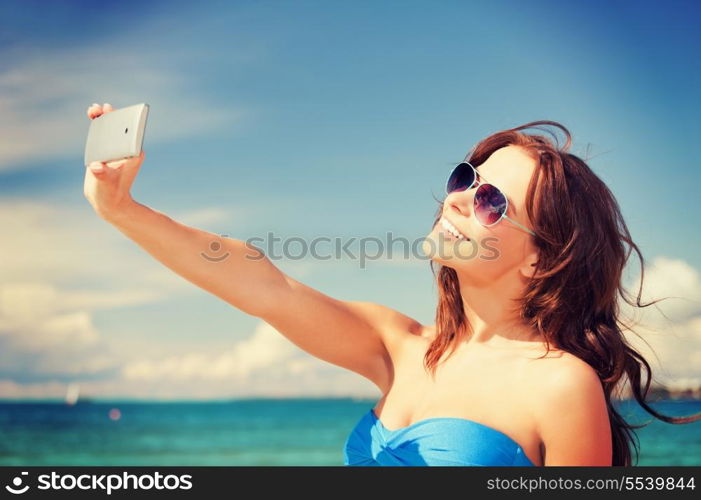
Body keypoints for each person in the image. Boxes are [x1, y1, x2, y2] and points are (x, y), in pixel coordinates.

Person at [84, 104, 700, 466]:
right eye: (465, 178)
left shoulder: (561, 385)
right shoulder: (401, 346)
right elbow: (262, 285)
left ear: (543, 260)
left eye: (490, 201)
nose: (458, 197)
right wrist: (123, 211)